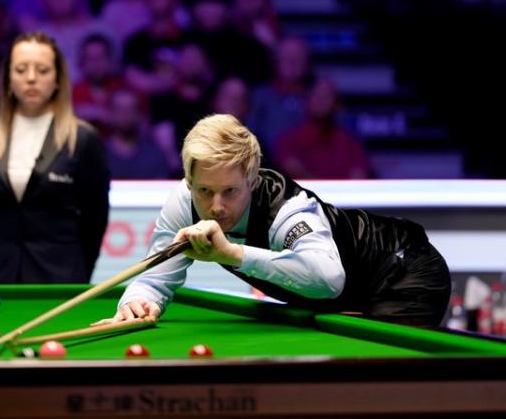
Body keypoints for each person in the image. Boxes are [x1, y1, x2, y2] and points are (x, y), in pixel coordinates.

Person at [113, 114, 450, 326]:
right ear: (189, 183)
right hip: (352, 293)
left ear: (253, 181)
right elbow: (154, 279)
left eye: (230, 191)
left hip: (404, 270)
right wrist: (136, 301)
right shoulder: (184, 201)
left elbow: (328, 278)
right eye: (204, 190)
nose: (216, 206)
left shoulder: (287, 209)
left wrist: (230, 253)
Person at [0, 31, 111, 284]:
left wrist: (77, 274)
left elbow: (95, 219)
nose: (31, 78)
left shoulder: (83, 138)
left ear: (58, 79)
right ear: (8, 79)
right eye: (21, 70)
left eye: (43, 70)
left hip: (60, 280)